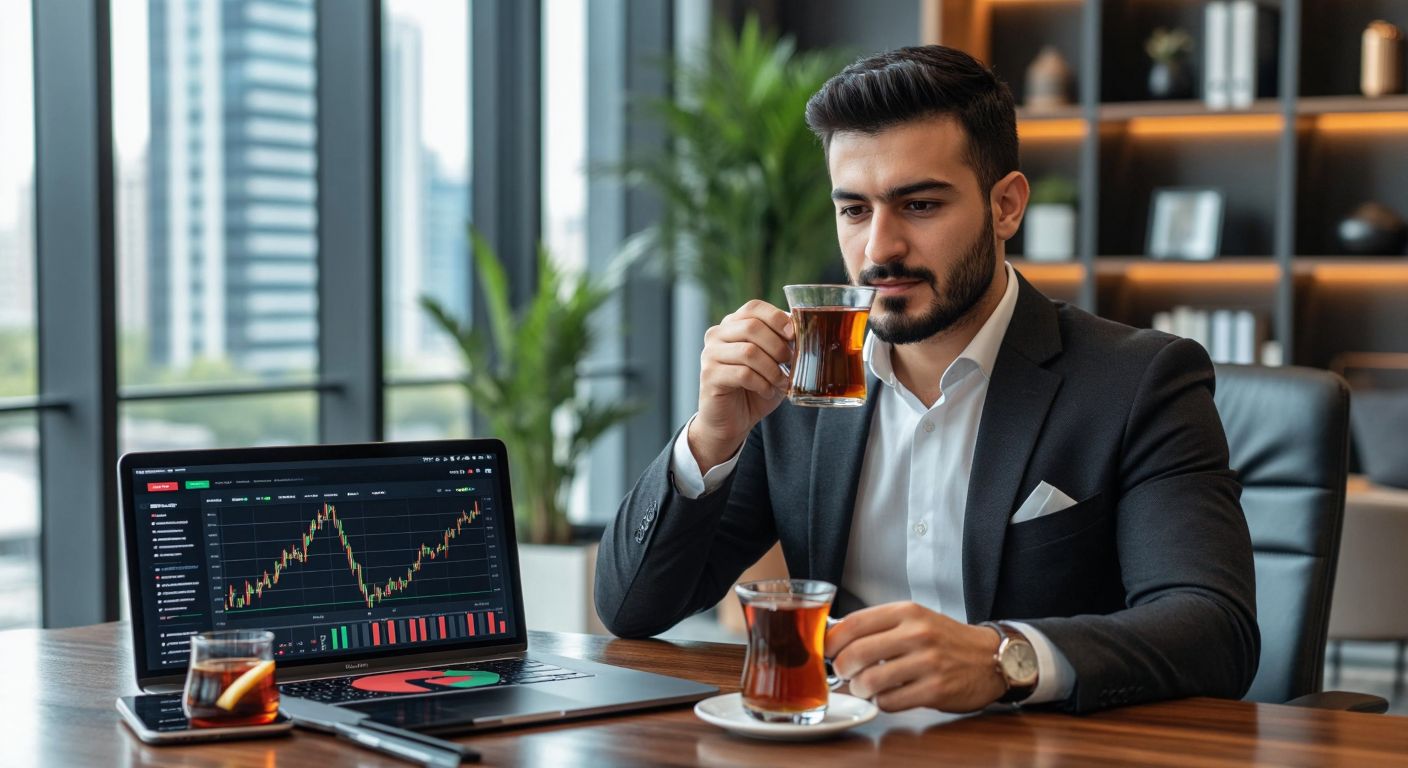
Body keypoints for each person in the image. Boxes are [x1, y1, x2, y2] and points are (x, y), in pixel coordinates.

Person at [594, 44, 1258, 714]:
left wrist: (1006, 658)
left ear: (1006, 207)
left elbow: (1212, 629)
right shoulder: (800, 390)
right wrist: (710, 436)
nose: (879, 249)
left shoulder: (1139, 381)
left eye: (918, 205)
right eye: (854, 210)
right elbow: (631, 607)